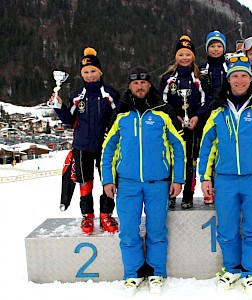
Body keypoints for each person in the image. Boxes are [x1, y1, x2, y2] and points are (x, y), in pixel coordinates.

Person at [199, 56, 252, 296]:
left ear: (250, 78)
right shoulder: (217, 106)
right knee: (226, 228)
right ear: (228, 78)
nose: (239, 80)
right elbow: (207, 145)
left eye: (244, 75)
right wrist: (205, 177)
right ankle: (232, 269)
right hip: (224, 178)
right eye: (235, 75)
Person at [101, 67, 186, 295]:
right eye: (135, 83)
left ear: (150, 85)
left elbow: (179, 146)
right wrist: (107, 179)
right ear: (129, 86)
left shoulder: (163, 111)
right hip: (127, 183)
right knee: (128, 231)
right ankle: (133, 273)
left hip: (158, 182)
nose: (139, 87)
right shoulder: (120, 113)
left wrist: (178, 179)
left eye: (143, 83)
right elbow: (108, 148)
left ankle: (157, 272)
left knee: (157, 230)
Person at [49, 47, 120, 235]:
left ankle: (106, 214)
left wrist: (111, 134)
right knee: (85, 182)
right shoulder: (76, 95)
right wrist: (59, 107)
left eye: (93, 71)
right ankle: (87, 215)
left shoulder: (110, 94)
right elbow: (69, 120)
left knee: (108, 181)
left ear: (100, 72)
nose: (90, 75)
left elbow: (117, 118)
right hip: (82, 147)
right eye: (86, 72)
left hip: (106, 147)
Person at [159, 34, 207, 209]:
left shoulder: (199, 78)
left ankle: (188, 193)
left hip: (193, 126)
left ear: (193, 56)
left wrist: (197, 117)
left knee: (191, 160)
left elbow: (205, 102)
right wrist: (174, 117)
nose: (184, 58)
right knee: (172, 159)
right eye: (181, 54)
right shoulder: (168, 78)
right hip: (173, 127)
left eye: (188, 54)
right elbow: (162, 101)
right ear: (176, 56)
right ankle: (171, 194)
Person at [199, 30, 228, 205]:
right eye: (212, 46)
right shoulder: (202, 69)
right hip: (206, 117)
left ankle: (220, 186)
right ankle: (207, 187)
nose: (216, 50)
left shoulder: (229, 67)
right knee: (208, 151)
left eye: (219, 46)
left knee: (223, 151)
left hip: (224, 116)